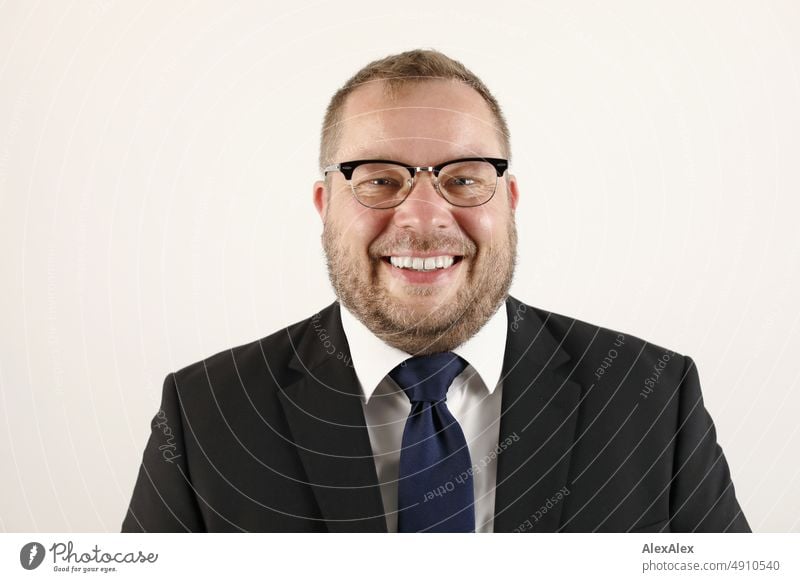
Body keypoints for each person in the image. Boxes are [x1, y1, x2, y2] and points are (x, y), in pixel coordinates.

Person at [121, 49, 750, 533]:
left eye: (465, 178)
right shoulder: (206, 413)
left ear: (509, 200)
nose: (423, 219)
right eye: (378, 180)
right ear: (324, 205)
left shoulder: (653, 397)